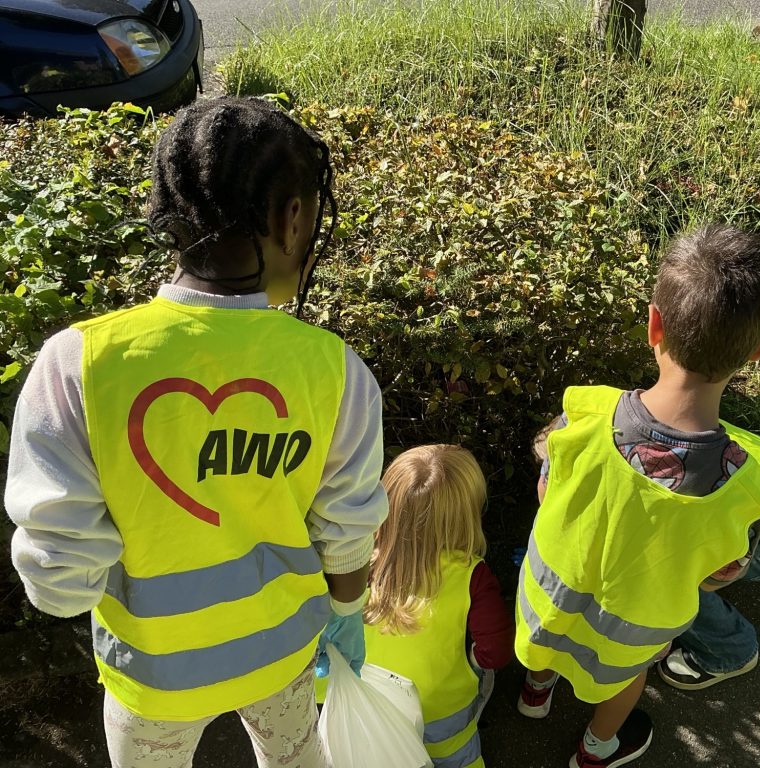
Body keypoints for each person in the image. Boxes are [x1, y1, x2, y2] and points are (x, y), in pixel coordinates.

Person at [4, 97, 389, 768]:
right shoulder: (337, 371)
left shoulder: (78, 364)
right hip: (282, 655)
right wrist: (348, 614)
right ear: (293, 219)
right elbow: (347, 532)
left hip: (153, 679)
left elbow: (60, 587)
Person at [516, 224, 760, 768]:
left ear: (654, 324)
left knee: (545, 648)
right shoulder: (749, 483)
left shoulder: (582, 414)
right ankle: (595, 751)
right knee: (623, 680)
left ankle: (535, 694)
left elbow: (546, 491)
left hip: (546, 603)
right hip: (629, 633)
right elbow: (719, 576)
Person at [362, 444, 514, 768]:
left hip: (372, 706)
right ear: (466, 517)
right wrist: (471, 661)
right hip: (441, 714)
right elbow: (497, 652)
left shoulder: (362, 562)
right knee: (456, 756)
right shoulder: (473, 576)